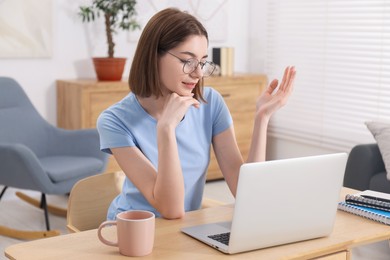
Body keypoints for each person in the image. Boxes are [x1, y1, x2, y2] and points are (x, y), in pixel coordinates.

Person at [97, 8, 296, 220]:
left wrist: (262, 118)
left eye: (201, 62)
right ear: (153, 56)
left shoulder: (210, 103)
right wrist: (166, 128)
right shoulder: (114, 121)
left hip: (184, 229)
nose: (198, 73)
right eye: (187, 61)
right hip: (132, 230)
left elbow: (249, 195)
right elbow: (171, 209)